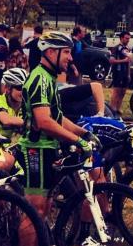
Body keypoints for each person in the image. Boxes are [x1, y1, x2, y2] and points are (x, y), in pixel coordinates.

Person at [17, 30, 94, 225]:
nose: (70, 57)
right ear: (51, 52)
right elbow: (44, 121)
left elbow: (58, 118)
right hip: (36, 150)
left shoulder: (49, 79)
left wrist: (83, 133)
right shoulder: (40, 79)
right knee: (34, 213)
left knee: (44, 210)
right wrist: (77, 140)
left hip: (48, 149)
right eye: (66, 52)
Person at [0, 67, 27, 141]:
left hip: (6, 145)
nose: (23, 92)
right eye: (19, 88)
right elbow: (6, 120)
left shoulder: (25, 104)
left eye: (26, 88)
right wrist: (29, 123)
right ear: (7, 88)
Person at [108, 30, 132, 116]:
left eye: (129, 38)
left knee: (123, 91)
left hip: (125, 72)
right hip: (118, 72)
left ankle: (118, 108)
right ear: (121, 38)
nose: (128, 40)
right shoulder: (116, 48)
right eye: (126, 38)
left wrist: (129, 74)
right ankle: (112, 108)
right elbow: (111, 61)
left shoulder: (128, 49)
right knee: (117, 91)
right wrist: (123, 61)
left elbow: (129, 62)